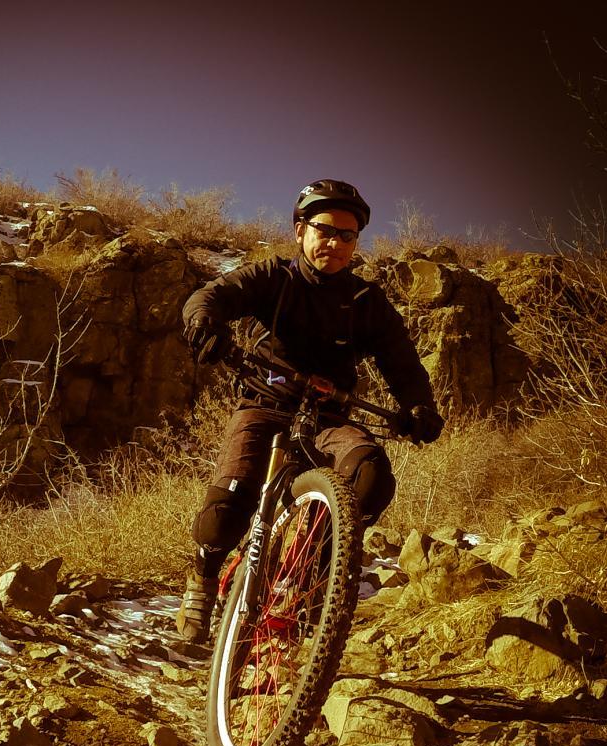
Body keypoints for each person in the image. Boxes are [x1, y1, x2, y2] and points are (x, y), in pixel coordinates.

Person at [175, 178, 443, 643]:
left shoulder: (366, 302)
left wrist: (418, 406)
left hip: (329, 420)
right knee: (227, 508)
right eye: (325, 230)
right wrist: (204, 323)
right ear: (300, 230)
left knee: (371, 475)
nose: (336, 243)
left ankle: (302, 577)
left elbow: (401, 360)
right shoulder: (272, 277)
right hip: (264, 406)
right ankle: (204, 575)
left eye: (347, 235)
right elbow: (211, 296)